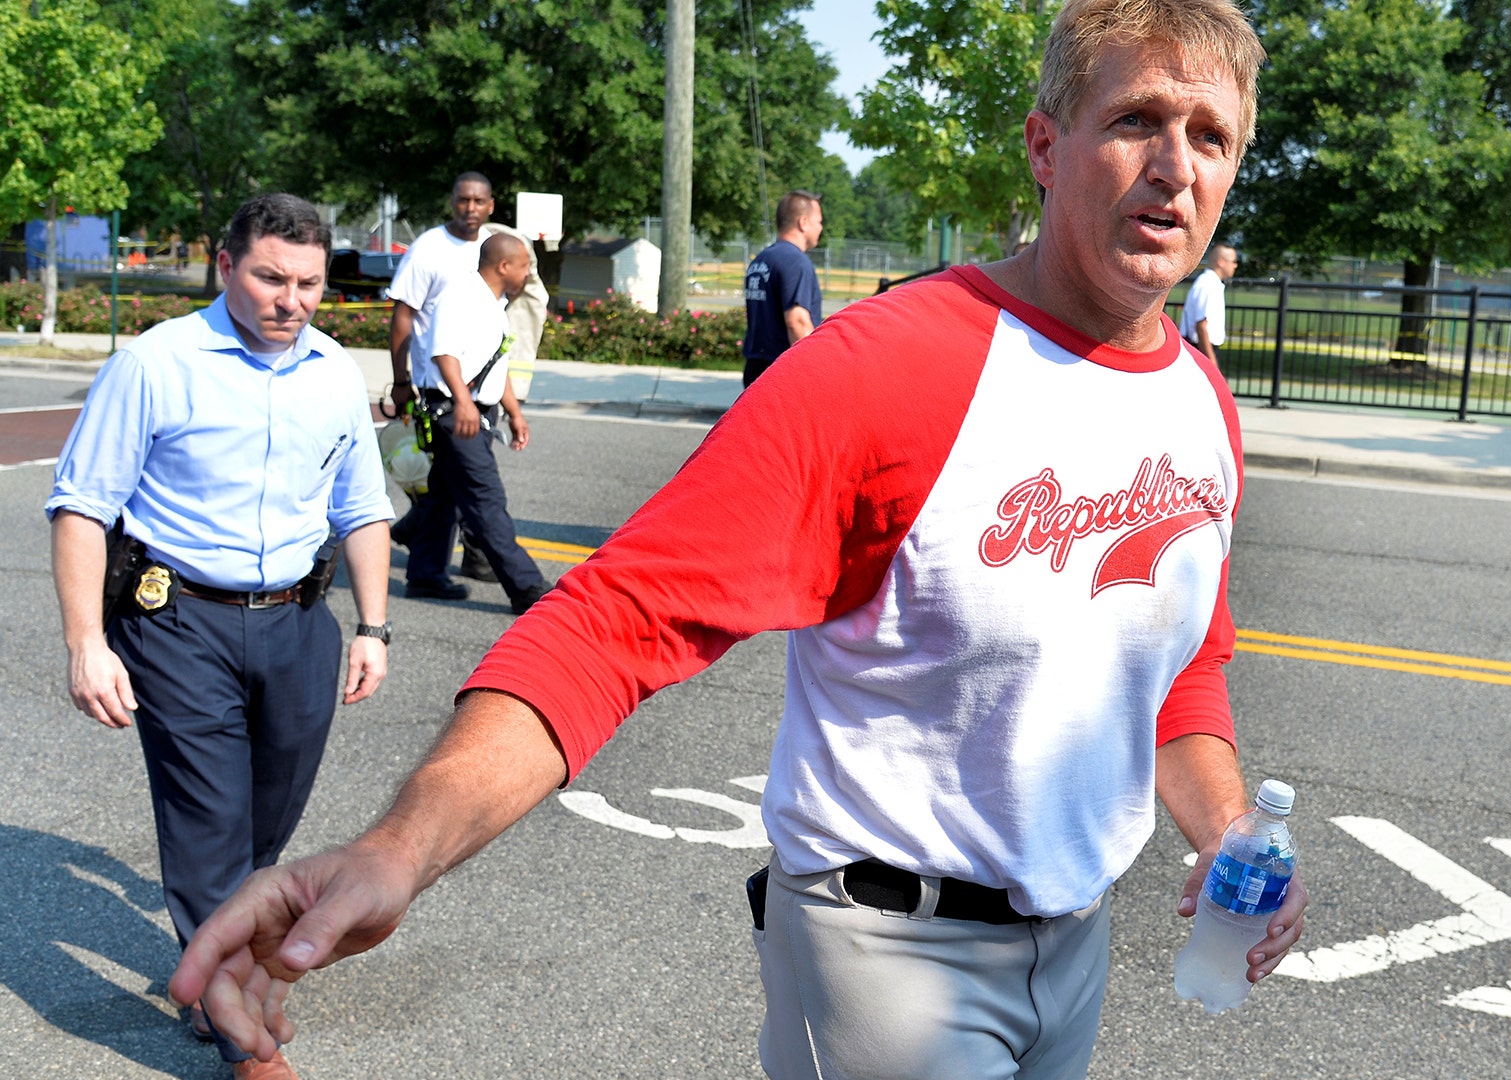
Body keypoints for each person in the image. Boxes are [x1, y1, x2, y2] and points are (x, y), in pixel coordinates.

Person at [172, 2, 1307, 1078]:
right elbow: (617, 622)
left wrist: (1224, 832)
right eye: (1136, 122)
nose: (1175, 166)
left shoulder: (1199, 404)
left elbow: (1180, 668)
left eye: (1210, 135)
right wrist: (397, 851)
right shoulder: (892, 368)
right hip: (893, 958)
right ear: (1046, 146)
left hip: (1078, 945)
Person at [50, 193, 393, 1080]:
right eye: (272, 278)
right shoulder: (159, 363)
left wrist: (373, 626)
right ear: (225, 266)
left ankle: (224, 959)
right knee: (209, 822)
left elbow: (360, 509)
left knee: (264, 830)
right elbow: (84, 505)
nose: (293, 300)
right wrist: (87, 641)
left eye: (310, 284)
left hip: (298, 627)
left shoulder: (331, 374)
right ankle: (242, 1031)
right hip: (180, 624)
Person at [386, 172, 551, 591]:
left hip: (471, 408)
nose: (528, 274)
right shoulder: (460, 294)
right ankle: (528, 589)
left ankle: (425, 575)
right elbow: (443, 352)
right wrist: (461, 402)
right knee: (486, 503)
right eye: (525, 266)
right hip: (455, 412)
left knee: (443, 497)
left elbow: (494, 364)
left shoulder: (491, 302)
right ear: (504, 266)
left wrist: (513, 412)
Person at [741, 190, 824, 387]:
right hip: (782, 373)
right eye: (819, 221)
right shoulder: (796, 262)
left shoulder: (761, 260)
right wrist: (815, 371)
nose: (821, 227)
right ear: (803, 222)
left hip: (755, 369)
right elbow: (797, 321)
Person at [1177, 242, 1236, 367]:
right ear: (1221, 261)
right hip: (1200, 349)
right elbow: (1201, 326)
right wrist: (1211, 363)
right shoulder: (1208, 285)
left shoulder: (1211, 283)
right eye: (1233, 261)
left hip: (1202, 348)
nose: (1235, 265)